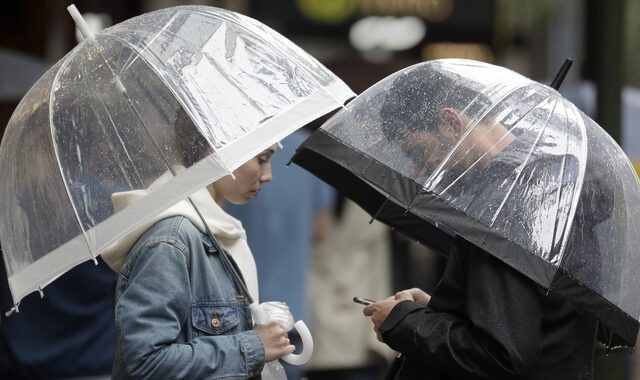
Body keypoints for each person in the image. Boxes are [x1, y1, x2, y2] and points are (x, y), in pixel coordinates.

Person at [361, 63, 600, 379]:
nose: (419, 170)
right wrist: (439, 310)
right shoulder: (544, 188)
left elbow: (501, 354)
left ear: (450, 123)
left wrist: (405, 322)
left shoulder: (508, 202)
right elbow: (525, 320)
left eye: (418, 150)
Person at [103, 107, 294, 379]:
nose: (268, 175)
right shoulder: (171, 239)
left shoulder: (213, 228)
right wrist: (254, 345)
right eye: (262, 158)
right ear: (218, 151)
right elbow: (146, 362)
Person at [226, 127, 335, 380]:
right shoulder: (310, 150)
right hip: (291, 311)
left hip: (237, 315)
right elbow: (320, 229)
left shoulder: (236, 151)